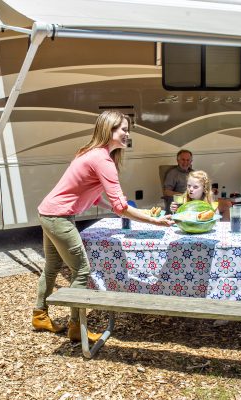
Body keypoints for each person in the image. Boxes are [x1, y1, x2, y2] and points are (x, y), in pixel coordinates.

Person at [33, 111, 173, 341]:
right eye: (123, 130)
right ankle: (77, 327)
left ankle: (40, 315)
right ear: (109, 130)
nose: (128, 134)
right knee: (81, 271)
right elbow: (121, 206)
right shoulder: (102, 160)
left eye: (128, 129)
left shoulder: (90, 153)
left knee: (53, 265)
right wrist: (154, 220)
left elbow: (96, 197)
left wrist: (119, 209)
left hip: (47, 212)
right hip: (58, 217)